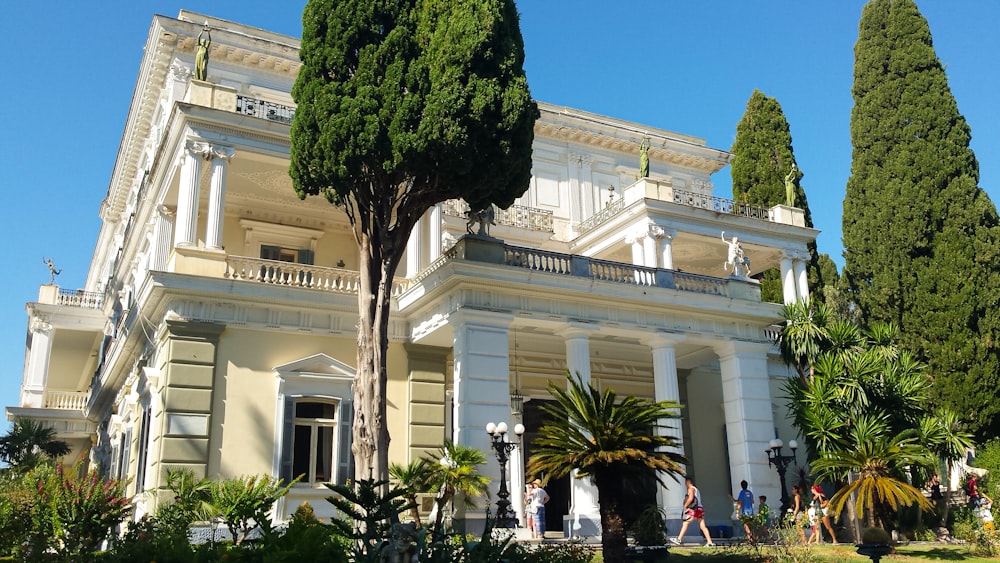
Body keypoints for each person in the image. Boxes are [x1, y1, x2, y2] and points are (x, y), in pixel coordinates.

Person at [672, 478, 714, 546]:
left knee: (686, 522)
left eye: (685, 482)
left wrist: (685, 506)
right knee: (702, 526)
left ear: (688, 482)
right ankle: (710, 542)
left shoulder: (691, 489)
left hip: (694, 509)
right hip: (700, 509)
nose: (685, 484)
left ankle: (678, 539)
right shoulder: (696, 489)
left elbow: (690, 498)